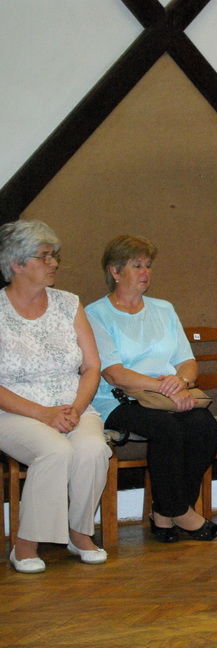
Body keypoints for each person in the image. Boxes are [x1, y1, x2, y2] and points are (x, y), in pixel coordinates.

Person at [86, 235, 217, 543]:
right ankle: (181, 512)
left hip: (168, 396)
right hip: (119, 401)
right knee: (167, 429)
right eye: (137, 265)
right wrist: (166, 387)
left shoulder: (164, 309)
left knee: (205, 428)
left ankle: (164, 512)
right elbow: (114, 374)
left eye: (148, 265)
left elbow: (187, 362)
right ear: (115, 271)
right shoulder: (95, 314)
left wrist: (182, 382)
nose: (146, 272)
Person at [0, 220, 111, 573]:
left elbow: (92, 366)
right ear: (17, 264)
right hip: (14, 411)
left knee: (93, 449)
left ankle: (79, 534)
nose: (54, 263)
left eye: (55, 256)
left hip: (71, 406)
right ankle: (25, 545)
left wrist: (75, 409)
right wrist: (43, 413)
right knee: (55, 450)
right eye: (44, 256)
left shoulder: (68, 303)